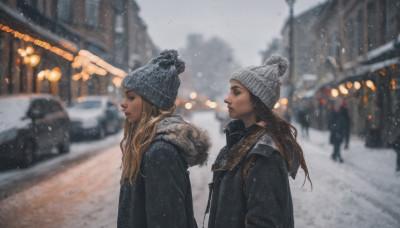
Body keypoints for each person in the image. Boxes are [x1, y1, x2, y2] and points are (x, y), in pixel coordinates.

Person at [206, 54, 312, 228]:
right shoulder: (240, 143)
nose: (227, 98)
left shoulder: (265, 157)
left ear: (257, 99)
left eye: (236, 92)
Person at [118, 50, 211, 228]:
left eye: (131, 97)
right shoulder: (147, 145)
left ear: (151, 102)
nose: (123, 103)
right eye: (124, 96)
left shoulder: (161, 152)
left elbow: (167, 221)